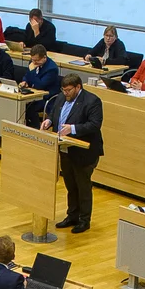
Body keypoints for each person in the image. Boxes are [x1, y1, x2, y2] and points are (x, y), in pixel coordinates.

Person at [42, 74, 103, 233]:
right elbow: (55, 113)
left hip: (84, 152)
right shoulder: (61, 97)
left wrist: (73, 129)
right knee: (70, 185)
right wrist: (49, 121)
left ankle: (84, 220)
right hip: (65, 149)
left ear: (78, 87)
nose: (65, 93)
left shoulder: (92, 101)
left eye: (69, 90)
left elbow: (94, 124)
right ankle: (72, 216)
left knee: (83, 186)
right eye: (63, 90)